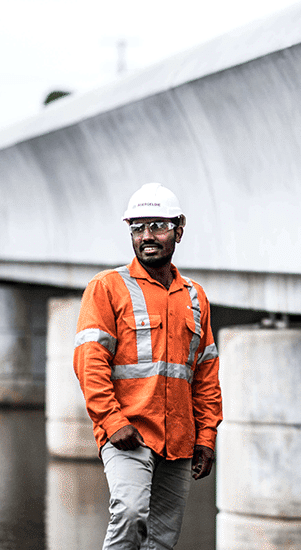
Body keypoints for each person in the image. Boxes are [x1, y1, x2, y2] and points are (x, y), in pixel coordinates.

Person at [74, 182, 222, 550]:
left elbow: (204, 375)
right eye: (137, 228)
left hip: (179, 439)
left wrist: (206, 438)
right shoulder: (107, 287)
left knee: (161, 540)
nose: (147, 236)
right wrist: (112, 421)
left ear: (178, 231)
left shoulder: (194, 296)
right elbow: (89, 362)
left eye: (157, 226)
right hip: (128, 433)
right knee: (129, 512)